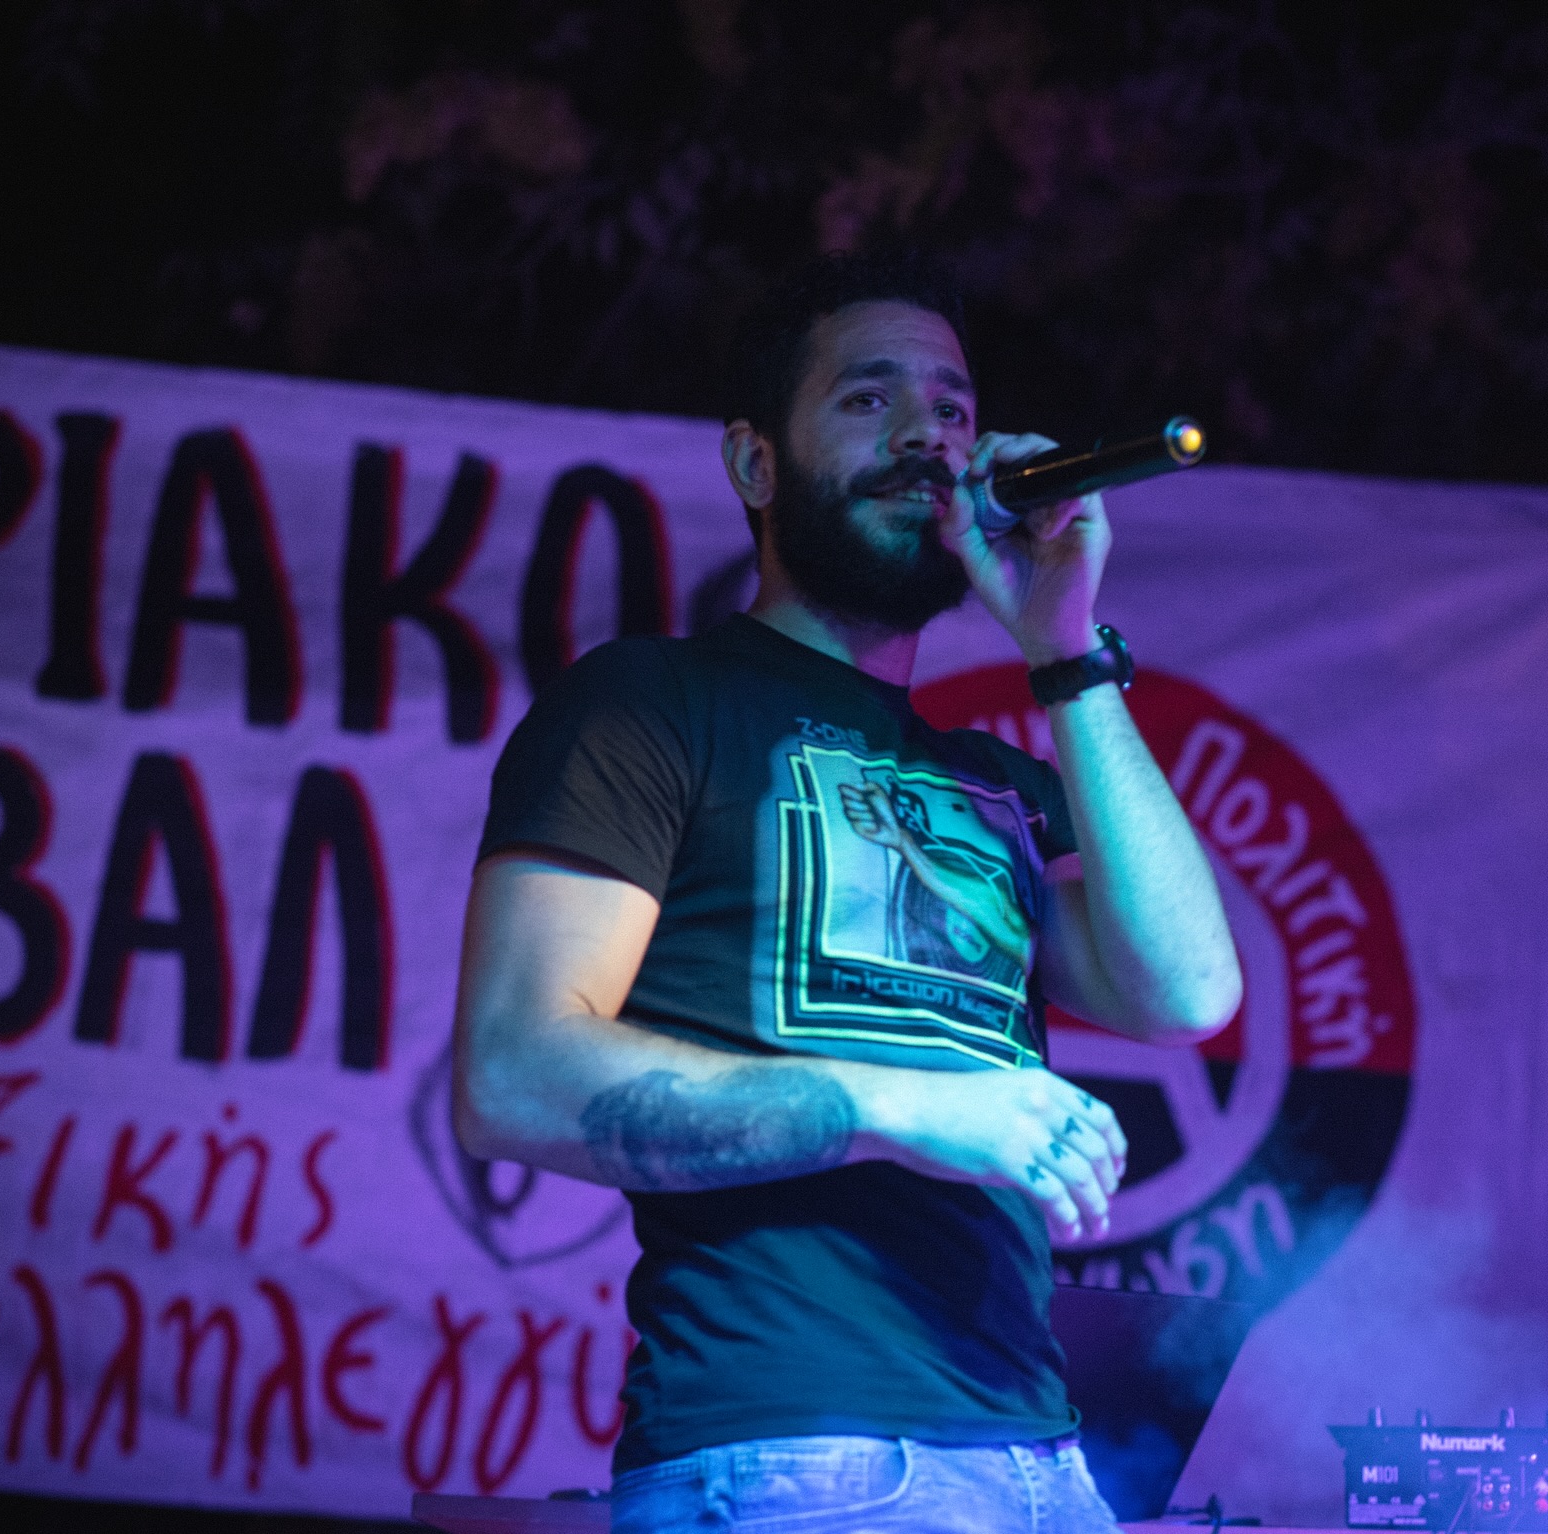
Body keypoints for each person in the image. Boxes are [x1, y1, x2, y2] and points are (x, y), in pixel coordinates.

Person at [450, 248, 1243, 1533]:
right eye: (870, 399)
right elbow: (511, 1075)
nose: (926, 436)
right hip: (794, 1459)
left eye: (951, 408)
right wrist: (904, 1104)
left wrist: (1062, 650)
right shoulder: (653, 704)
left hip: (1042, 1465)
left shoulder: (994, 781)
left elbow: (1188, 989)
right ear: (755, 464)